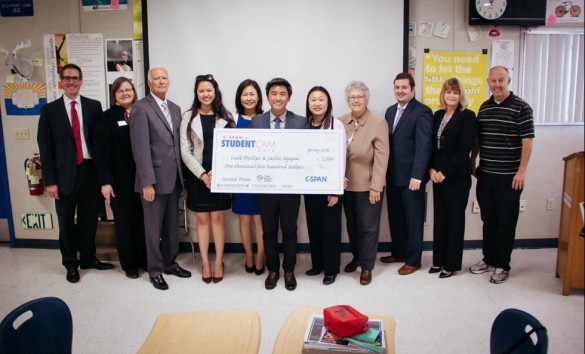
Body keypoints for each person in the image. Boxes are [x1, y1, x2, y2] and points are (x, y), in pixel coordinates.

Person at [37, 63, 114, 283]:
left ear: (81, 81)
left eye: (76, 78)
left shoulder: (93, 106)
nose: (72, 81)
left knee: (89, 220)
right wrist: (49, 181)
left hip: (90, 172)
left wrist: (104, 177)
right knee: (66, 222)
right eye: (68, 78)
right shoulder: (49, 110)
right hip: (63, 177)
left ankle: (89, 258)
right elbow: (46, 147)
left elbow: (99, 143)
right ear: (61, 81)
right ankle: (71, 263)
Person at [470, 66, 535, 284]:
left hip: (510, 177)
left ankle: (502, 265)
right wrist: (473, 161)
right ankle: (488, 258)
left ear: (509, 81)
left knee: (506, 221)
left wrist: (522, 171)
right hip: (486, 175)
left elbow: (527, 141)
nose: (497, 84)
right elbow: (479, 139)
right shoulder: (484, 107)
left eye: (501, 80)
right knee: (488, 219)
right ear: (488, 82)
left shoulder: (521, 107)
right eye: (493, 81)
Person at [130, 66, 191, 290]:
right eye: (157, 78)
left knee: (171, 227)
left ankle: (170, 263)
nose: (161, 81)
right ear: (149, 82)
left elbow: (178, 146)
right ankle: (155, 270)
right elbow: (140, 148)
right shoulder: (140, 108)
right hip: (153, 181)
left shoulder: (175, 108)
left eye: (165, 77)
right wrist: (147, 182)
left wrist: (182, 180)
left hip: (174, 179)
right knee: (153, 230)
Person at [249, 77, 307, 291]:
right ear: (267, 97)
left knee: (290, 229)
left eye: (283, 94)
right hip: (266, 187)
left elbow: (306, 152)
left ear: (289, 98)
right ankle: (273, 270)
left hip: (291, 188)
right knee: (268, 230)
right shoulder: (257, 122)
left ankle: (289, 270)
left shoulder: (300, 122)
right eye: (274, 93)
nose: (278, 98)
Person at [180, 74, 235, 284]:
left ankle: (219, 261)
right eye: (201, 90)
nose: (206, 94)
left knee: (218, 219)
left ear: (215, 92)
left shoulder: (225, 117)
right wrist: (203, 175)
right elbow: (185, 152)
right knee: (202, 220)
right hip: (197, 176)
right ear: (196, 93)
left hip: (221, 176)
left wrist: (219, 172)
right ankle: (205, 262)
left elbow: (234, 147)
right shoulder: (188, 117)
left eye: (209, 90)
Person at [93, 77, 146, 279]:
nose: (125, 93)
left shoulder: (141, 114)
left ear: (134, 92)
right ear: (114, 95)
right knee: (124, 224)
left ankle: (144, 259)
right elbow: (101, 152)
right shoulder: (106, 118)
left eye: (128, 89)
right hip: (118, 182)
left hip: (142, 180)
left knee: (142, 222)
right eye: (120, 91)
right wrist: (105, 182)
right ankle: (129, 264)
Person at [381, 72, 433, 276]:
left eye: (404, 87)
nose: (400, 91)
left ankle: (413, 260)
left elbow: (424, 147)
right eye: (397, 87)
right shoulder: (389, 111)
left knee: (413, 219)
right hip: (392, 176)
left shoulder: (422, 112)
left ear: (413, 89)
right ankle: (399, 252)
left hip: (412, 178)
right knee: (396, 218)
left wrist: (417, 176)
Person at [339, 81, 389, 286]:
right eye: (352, 97)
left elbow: (382, 156)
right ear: (347, 100)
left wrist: (376, 185)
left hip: (369, 187)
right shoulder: (340, 122)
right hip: (346, 185)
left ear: (366, 99)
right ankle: (357, 257)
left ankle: (367, 266)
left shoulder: (378, 122)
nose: (356, 100)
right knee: (352, 226)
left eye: (360, 97)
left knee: (368, 228)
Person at [428, 78, 477, 279]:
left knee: (455, 220)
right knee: (440, 219)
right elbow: (432, 145)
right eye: (448, 92)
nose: (451, 95)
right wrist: (431, 169)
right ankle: (438, 260)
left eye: (455, 92)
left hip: (456, 178)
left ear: (461, 95)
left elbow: (464, 149)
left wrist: (444, 172)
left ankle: (451, 264)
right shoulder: (438, 114)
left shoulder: (468, 116)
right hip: (437, 177)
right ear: (443, 94)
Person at [304, 86, 346, 285]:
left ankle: (331, 270)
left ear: (328, 103)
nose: (317, 103)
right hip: (310, 187)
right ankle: (318, 264)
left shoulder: (335, 125)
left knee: (330, 229)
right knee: (314, 227)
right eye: (313, 99)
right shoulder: (304, 125)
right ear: (308, 104)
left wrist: (336, 189)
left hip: (330, 188)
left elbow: (342, 158)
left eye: (321, 99)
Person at [231, 79, 265, 276]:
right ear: (239, 97)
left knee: (260, 220)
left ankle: (260, 256)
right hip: (240, 179)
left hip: (261, 178)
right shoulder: (233, 119)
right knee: (244, 219)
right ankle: (249, 256)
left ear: (258, 97)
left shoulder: (265, 118)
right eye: (245, 94)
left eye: (252, 94)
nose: (249, 98)